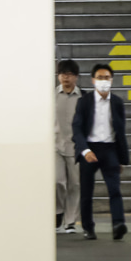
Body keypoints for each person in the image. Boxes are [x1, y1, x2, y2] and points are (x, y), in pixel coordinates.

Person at [72, 63, 129, 240]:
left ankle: (118, 224)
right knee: (86, 192)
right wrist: (85, 150)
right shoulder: (84, 101)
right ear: (93, 80)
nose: (103, 81)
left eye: (106, 78)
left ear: (111, 80)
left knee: (114, 189)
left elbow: (121, 131)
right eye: (100, 78)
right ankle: (88, 227)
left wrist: (121, 159)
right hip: (90, 149)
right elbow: (77, 128)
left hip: (110, 149)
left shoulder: (117, 102)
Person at [54, 60, 81, 234]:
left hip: (75, 147)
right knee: (57, 181)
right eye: (63, 74)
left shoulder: (83, 97)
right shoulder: (51, 95)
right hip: (55, 146)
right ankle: (58, 212)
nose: (66, 77)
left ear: (76, 77)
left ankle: (70, 221)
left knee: (75, 185)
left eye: (70, 74)